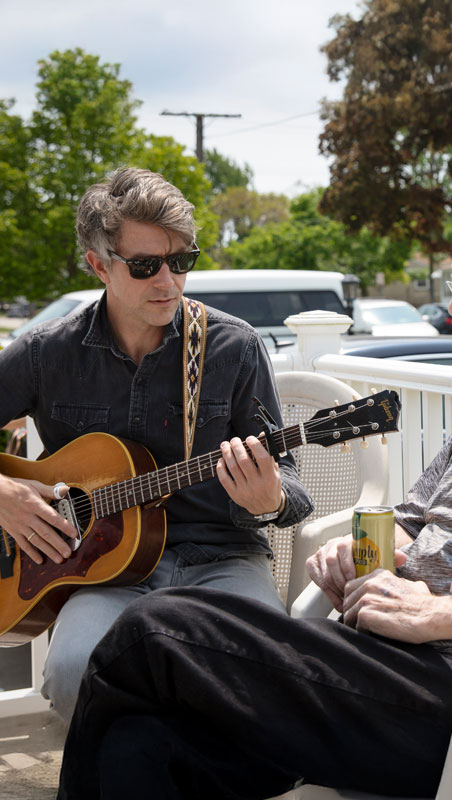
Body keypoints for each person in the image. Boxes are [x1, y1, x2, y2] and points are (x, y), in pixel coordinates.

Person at [56, 193, 452, 800]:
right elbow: (414, 518)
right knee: (141, 744)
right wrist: (365, 556)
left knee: (154, 629)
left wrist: (445, 615)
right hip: (396, 665)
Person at [0, 166, 313, 723]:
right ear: (99, 265)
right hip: (101, 569)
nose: (168, 282)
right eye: (145, 266)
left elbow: (289, 483)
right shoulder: (49, 353)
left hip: (221, 558)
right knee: (75, 673)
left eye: (182, 261)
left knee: (260, 676)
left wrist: (270, 500)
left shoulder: (232, 348)